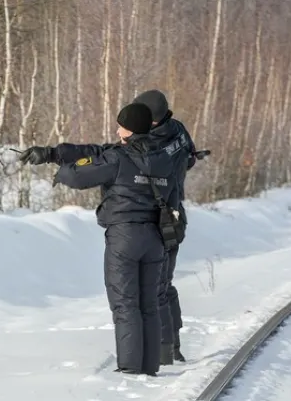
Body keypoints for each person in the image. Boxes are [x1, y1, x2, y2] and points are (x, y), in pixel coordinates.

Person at [17, 102, 177, 376]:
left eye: (121, 125)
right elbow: (99, 152)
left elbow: (79, 175)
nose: (117, 129)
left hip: (124, 237)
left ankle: (129, 370)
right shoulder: (164, 159)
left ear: (129, 130)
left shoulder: (118, 158)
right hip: (155, 237)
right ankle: (149, 368)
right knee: (148, 303)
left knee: (125, 304)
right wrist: (55, 153)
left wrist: (61, 171)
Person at [132, 90, 199, 364]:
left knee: (155, 286)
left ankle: (164, 349)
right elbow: (192, 158)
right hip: (174, 214)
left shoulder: (149, 143)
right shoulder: (178, 129)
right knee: (164, 284)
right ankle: (173, 344)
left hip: (158, 218)